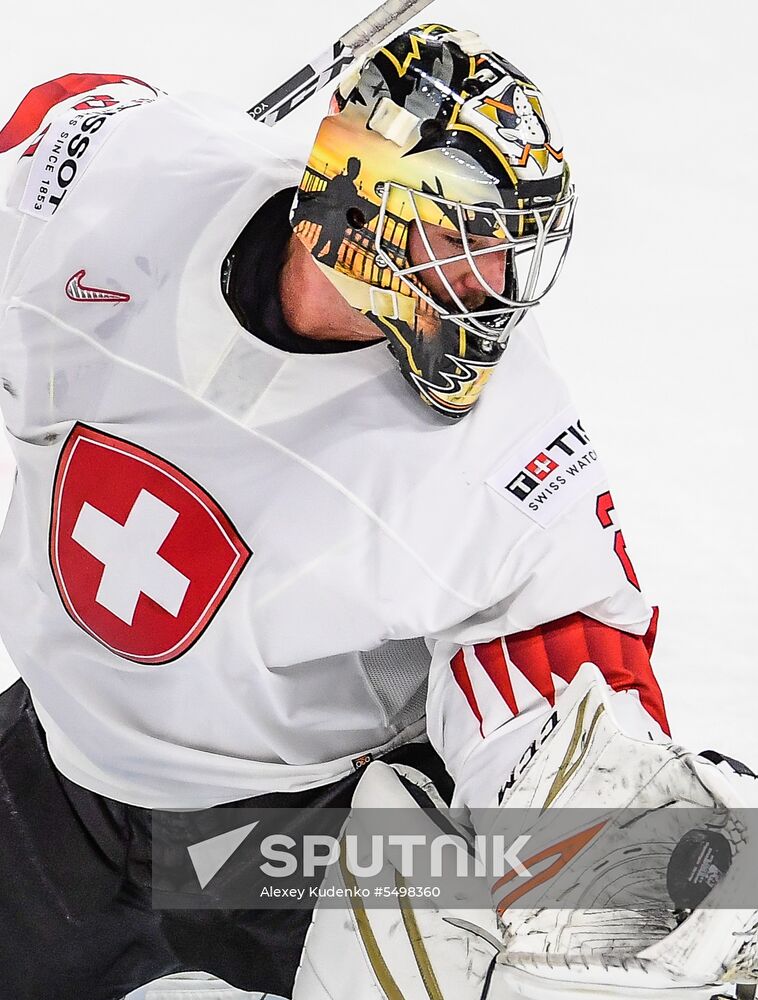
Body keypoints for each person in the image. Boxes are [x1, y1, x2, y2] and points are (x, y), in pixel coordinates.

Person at [0, 24, 754, 1000]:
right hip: (58, 778)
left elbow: (561, 691)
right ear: (360, 211)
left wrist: (657, 861)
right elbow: (54, 125)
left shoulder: (499, 448)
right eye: (462, 240)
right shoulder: (110, 199)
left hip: (264, 848)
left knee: (506, 938)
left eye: (504, 250)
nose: (492, 288)